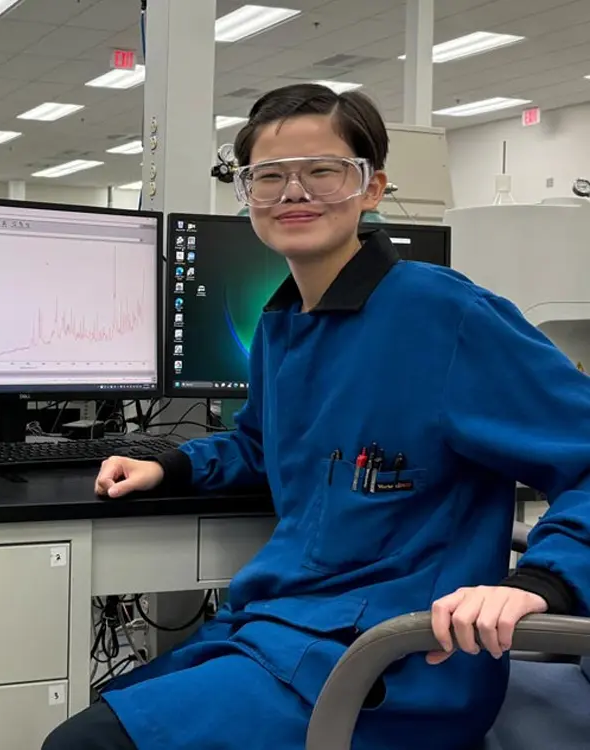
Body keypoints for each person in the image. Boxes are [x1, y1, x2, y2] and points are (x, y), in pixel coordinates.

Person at [43, 83, 590, 750]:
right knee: (109, 707)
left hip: (393, 662)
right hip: (282, 628)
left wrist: (540, 582)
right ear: (247, 196)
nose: (294, 193)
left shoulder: (441, 315)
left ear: (371, 187)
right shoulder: (282, 323)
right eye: (269, 177)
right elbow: (266, 446)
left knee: (83, 745)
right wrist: (172, 462)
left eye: (323, 171)